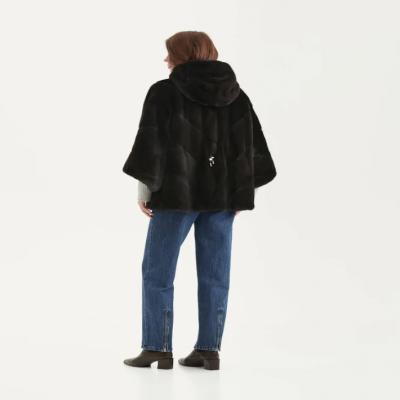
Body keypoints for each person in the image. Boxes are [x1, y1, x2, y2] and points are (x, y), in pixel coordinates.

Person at [122, 31, 277, 371]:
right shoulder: (236, 95)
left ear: (183, 55)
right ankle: (208, 350)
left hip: (176, 197)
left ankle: (157, 348)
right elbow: (251, 149)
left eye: (170, 53)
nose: (166, 60)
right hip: (222, 199)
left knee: (157, 271)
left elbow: (151, 146)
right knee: (215, 273)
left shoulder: (164, 92)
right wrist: (243, 192)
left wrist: (144, 192)